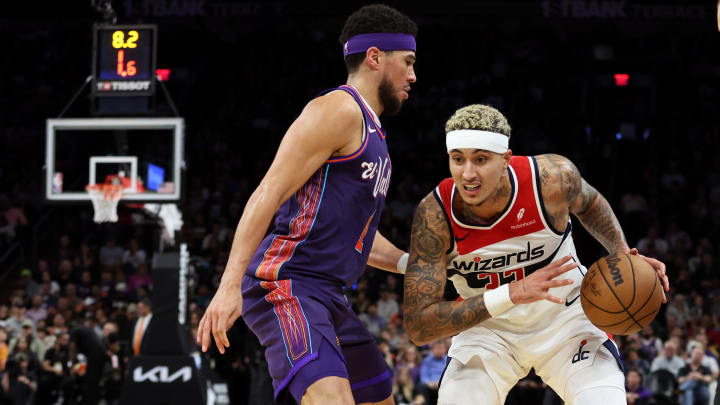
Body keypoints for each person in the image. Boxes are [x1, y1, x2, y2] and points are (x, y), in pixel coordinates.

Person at [196, 4, 417, 404]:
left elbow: (359, 236)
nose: (413, 76)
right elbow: (267, 193)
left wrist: (410, 265)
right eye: (408, 62)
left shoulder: (374, 132)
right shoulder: (337, 109)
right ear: (375, 58)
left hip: (329, 294)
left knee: (381, 398)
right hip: (286, 282)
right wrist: (228, 287)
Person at [402, 104, 669, 405]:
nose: (468, 174)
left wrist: (623, 253)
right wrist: (513, 292)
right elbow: (418, 326)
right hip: (488, 332)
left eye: (480, 159)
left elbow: (590, 203)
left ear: (505, 159)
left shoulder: (552, 178)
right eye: (457, 159)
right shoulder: (435, 215)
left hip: (566, 320)